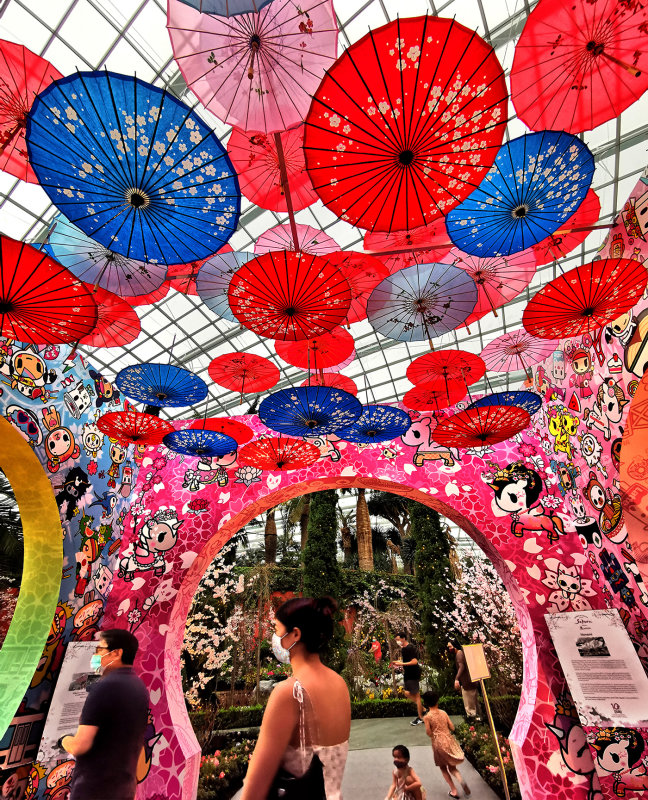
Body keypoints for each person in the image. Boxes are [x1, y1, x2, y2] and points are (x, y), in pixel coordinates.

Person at [240, 597, 351, 800]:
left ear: (296, 634)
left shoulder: (288, 693)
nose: (273, 637)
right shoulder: (339, 684)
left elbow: (254, 789)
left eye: (276, 629)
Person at [58, 629, 149, 800]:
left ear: (117, 653)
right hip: (124, 788)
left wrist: (62, 739)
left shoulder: (105, 687)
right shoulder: (138, 686)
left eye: (100, 649)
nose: (95, 654)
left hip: (94, 790)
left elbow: (80, 746)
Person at [422, 691, 471, 799]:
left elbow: (429, 732)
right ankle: (460, 779)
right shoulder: (443, 713)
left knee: (443, 768)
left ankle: (454, 791)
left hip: (438, 743)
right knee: (452, 768)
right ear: (437, 701)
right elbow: (452, 727)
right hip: (448, 740)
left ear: (425, 703)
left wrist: (434, 733)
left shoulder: (427, 717)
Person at [391, 632, 424, 725]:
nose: (397, 641)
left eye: (398, 639)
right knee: (406, 693)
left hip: (413, 673)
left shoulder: (410, 648)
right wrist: (398, 662)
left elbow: (414, 661)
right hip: (408, 674)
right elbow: (406, 660)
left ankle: (420, 717)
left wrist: (401, 664)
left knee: (416, 695)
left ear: (403, 638)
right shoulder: (404, 649)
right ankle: (423, 709)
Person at [447, 640, 479, 719]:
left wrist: (456, 679)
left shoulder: (459, 654)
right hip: (468, 682)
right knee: (472, 703)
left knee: (470, 705)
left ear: (455, 646)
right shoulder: (460, 653)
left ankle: (473, 721)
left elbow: (462, 667)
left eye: (450, 646)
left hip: (468, 683)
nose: (449, 648)